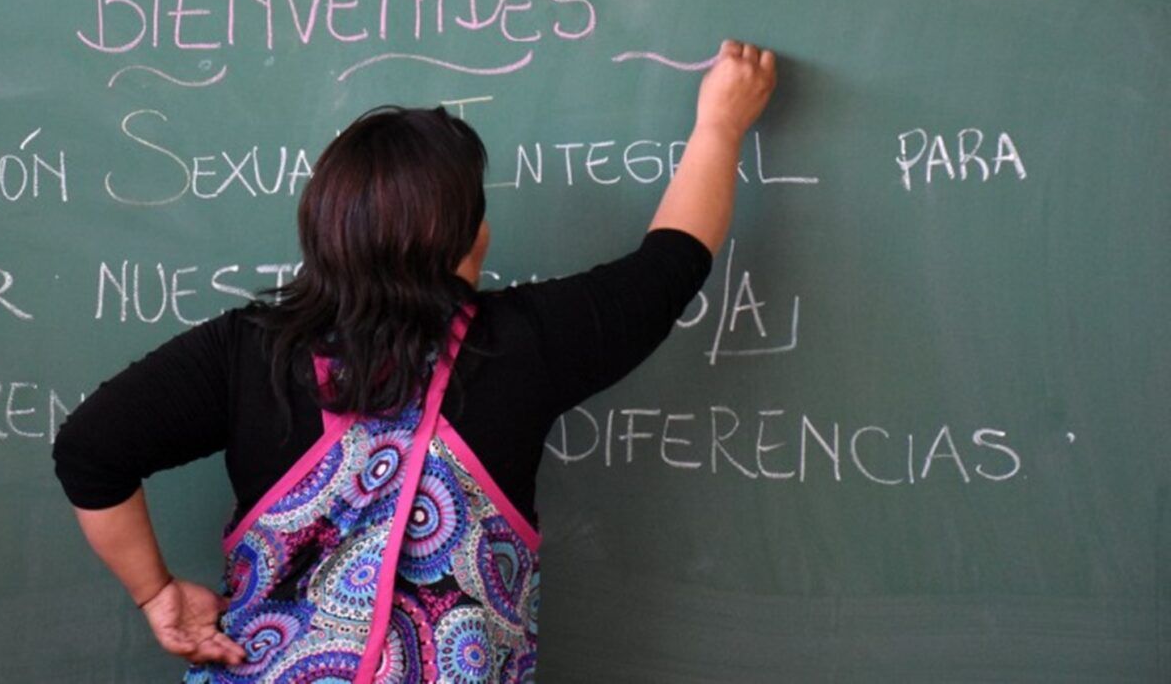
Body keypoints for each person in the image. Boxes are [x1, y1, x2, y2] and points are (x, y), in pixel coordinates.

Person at [53, 39, 778, 682]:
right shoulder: (524, 346)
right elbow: (670, 265)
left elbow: (91, 450)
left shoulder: (247, 350)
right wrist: (721, 123)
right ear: (464, 239)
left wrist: (158, 594)